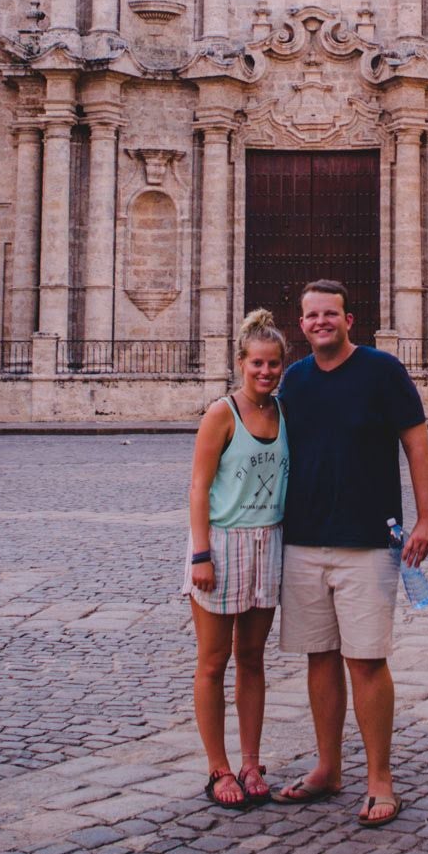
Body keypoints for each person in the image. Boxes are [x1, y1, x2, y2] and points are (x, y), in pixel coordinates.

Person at [268, 279, 428, 830]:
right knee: (319, 657)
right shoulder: (292, 381)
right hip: (305, 539)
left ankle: (380, 779)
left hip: (368, 540)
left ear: (349, 319)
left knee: (365, 659)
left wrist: (427, 519)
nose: (321, 322)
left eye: (330, 314)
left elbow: (416, 443)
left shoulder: (382, 372)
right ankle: (328, 767)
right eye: (312, 315)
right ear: (302, 325)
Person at [186, 309, 291, 809]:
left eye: (273, 365)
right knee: (213, 661)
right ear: (240, 363)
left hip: (267, 543)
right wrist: (201, 554)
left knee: (252, 659)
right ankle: (218, 768)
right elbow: (198, 488)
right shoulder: (220, 414)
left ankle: (251, 762)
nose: (265, 372)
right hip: (222, 547)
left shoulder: (285, 412)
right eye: (257, 364)